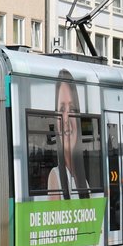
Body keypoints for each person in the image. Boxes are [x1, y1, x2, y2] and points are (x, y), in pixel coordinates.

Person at [47, 70, 90, 200]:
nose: (65, 118)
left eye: (72, 109)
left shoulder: (84, 181)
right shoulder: (55, 177)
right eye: (61, 110)